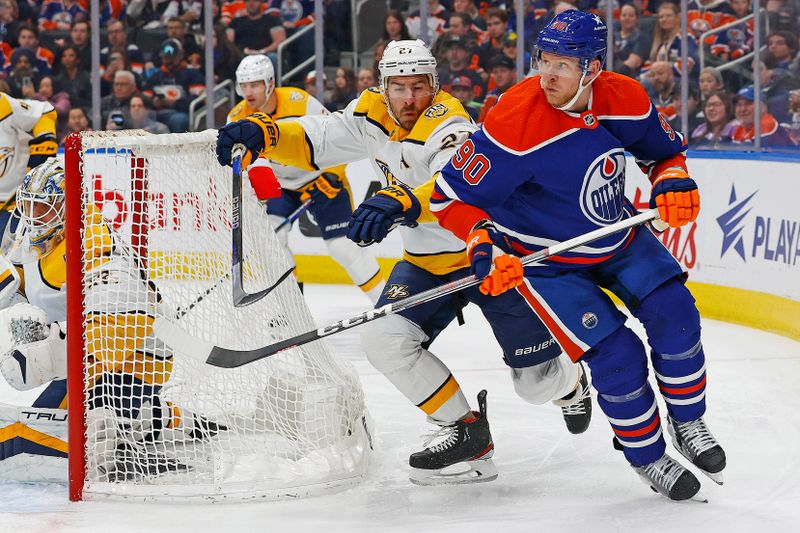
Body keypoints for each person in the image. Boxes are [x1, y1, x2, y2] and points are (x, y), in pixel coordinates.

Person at [216, 39, 592, 486]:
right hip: (427, 261)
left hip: (487, 256)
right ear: (383, 87)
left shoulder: (449, 121)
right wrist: (269, 135)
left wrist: (401, 201)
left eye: (419, 87)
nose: (410, 98)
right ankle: (467, 432)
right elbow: (320, 137)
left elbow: (458, 189)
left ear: (434, 85)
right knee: (385, 341)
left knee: (535, 387)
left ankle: (570, 382)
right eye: (399, 88)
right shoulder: (371, 113)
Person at [430, 10, 727, 501]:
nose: (547, 74)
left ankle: (689, 425)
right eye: (543, 59)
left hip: (616, 234)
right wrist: (482, 243)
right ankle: (648, 456)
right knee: (617, 357)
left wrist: (672, 180)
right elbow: (448, 197)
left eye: (563, 65)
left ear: (592, 67)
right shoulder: (514, 121)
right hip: (547, 261)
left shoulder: (625, 98)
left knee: (676, 316)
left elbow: (663, 154)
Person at [0, 160, 221, 482]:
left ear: (67, 206)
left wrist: (46, 356)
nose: (33, 216)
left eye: (43, 207)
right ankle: (158, 419)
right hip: (87, 357)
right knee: (70, 419)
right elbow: (18, 284)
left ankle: (126, 434)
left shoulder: (94, 245)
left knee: (39, 437)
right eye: (28, 206)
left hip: (133, 361)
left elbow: (119, 329)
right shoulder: (34, 237)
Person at [226, 55, 385, 303]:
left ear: (270, 83)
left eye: (254, 84)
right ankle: (292, 308)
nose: (248, 92)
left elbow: (336, 134)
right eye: (243, 86)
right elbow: (242, 166)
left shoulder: (299, 102)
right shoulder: (237, 118)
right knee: (273, 244)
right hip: (280, 185)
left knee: (343, 247)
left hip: (321, 178)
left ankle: (387, 305)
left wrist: (334, 173)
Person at [0, 91, 57, 238]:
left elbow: (44, 111)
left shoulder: (4, 105)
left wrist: (43, 149)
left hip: (15, 204)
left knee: (11, 255)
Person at [143, 39, 206, 133]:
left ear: (180, 56)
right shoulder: (155, 77)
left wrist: (174, 103)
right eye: (166, 58)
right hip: (156, 113)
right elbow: (144, 99)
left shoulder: (192, 74)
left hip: (181, 113)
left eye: (172, 58)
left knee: (179, 120)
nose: (169, 61)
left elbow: (198, 100)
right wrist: (153, 102)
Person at [731, 85, 795, 147]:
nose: (743, 109)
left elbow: (750, 154)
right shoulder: (741, 129)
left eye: (748, 103)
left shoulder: (767, 124)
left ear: (762, 107)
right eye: (739, 105)